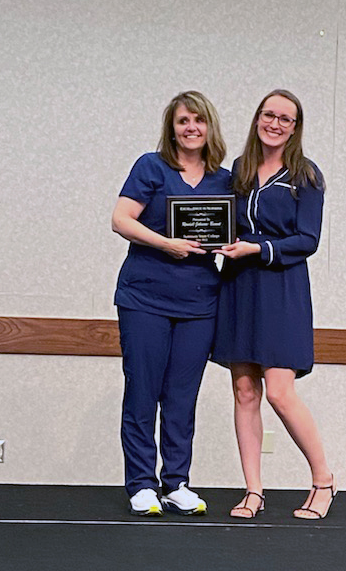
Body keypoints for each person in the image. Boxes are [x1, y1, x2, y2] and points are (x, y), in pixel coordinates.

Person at [212, 89, 335, 520]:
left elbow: (308, 240)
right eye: (269, 114)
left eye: (286, 118)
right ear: (257, 118)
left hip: (281, 289)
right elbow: (219, 221)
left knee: (280, 391)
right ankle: (253, 491)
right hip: (239, 288)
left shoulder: (307, 176)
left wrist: (256, 248)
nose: (276, 123)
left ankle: (323, 480)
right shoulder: (238, 171)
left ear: (295, 127)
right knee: (245, 390)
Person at [112, 91, 230, 516]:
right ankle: (141, 484)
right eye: (183, 121)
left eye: (199, 121)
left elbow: (232, 233)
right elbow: (120, 219)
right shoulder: (151, 166)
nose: (191, 128)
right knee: (143, 390)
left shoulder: (225, 179)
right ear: (172, 127)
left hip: (200, 303)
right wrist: (167, 244)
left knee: (182, 395)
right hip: (145, 297)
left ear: (209, 126)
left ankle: (176, 482)